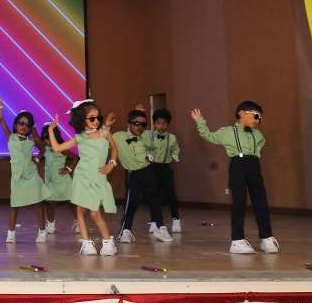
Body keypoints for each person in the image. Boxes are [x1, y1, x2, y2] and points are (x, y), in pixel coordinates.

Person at [192, 102, 278, 255]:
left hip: (254, 165)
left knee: (261, 201)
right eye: (255, 116)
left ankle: (266, 238)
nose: (258, 120)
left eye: (260, 118)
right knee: (239, 202)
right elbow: (210, 136)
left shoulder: (257, 135)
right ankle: (237, 240)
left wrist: (255, 154)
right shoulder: (228, 132)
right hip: (238, 165)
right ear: (242, 113)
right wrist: (200, 121)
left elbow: (261, 143)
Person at [47, 100, 118, 256]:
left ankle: (108, 242)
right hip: (81, 177)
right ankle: (86, 244)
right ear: (82, 120)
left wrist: (111, 164)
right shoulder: (79, 138)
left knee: (95, 213)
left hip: (98, 177)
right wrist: (51, 130)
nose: (96, 121)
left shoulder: (105, 133)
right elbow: (57, 148)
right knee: (80, 211)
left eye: (98, 117)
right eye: (92, 118)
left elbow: (114, 149)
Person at [113, 108, 172, 244]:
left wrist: (149, 155)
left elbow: (151, 148)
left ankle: (160, 227)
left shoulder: (146, 137)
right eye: (136, 123)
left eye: (143, 124)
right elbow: (104, 141)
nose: (140, 127)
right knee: (131, 203)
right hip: (132, 174)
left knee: (155, 200)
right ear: (129, 124)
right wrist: (106, 126)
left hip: (147, 171)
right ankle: (125, 231)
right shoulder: (119, 136)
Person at [0, 96, 47, 243]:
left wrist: (37, 159)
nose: (24, 126)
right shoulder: (10, 137)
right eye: (21, 123)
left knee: (38, 202)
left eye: (28, 124)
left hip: (31, 175)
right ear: (15, 124)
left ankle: (42, 231)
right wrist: (0, 103)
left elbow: (43, 149)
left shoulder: (33, 140)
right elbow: (1, 120)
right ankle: (11, 233)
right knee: (15, 205)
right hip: (17, 176)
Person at [147, 108, 182, 232]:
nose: (161, 126)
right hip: (152, 168)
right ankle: (154, 221)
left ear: (168, 124)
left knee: (171, 194)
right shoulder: (149, 135)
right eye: (158, 123)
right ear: (154, 124)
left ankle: (176, 220)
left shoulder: (171, 138)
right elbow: (141, 144)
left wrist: (175, 155)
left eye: (164, 123)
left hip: (165, 167)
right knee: (153, 195)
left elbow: (176, 148)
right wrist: (147, 155)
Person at [40, 123, 76, 234]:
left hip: (62, 179)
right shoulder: (47, 147)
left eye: (48, 138)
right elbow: (39, 145)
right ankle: (51, 224)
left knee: (71, 203)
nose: (46, 141)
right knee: (50, 202)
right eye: (45, 139)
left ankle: (80, 222)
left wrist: (68, 169)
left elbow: (75, 157)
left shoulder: (61, 148)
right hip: (51, 180)